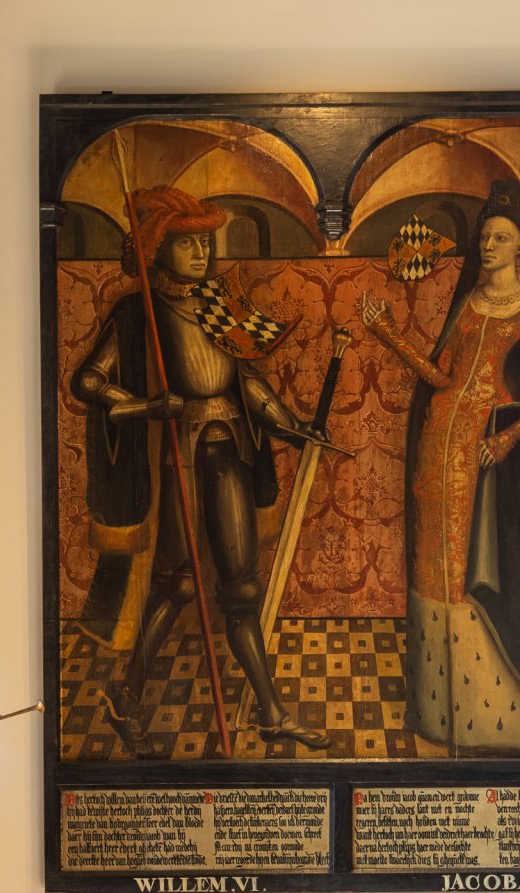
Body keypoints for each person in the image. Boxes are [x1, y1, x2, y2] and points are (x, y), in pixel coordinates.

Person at [73, 185, 327, 751]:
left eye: (205, 243)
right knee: (178, 583)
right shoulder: (137, 310)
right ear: (158, 247)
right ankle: (125, 697)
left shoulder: (220, 302)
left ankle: (271, 712)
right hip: (176, 452)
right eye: (187, 243)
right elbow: (87, 381)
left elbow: (247, 382)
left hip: (229, 446)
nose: (201, 253)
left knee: (241, 586)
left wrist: (291, 426)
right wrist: (144, 405)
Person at [360, 185, 520, 752]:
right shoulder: (470, 302)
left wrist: (507, 439)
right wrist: (388, 334)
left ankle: (493, 718)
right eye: (485, 237)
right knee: (434, 570)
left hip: (488, 459)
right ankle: (438, 714)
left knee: (473, 571)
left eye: (501, 237)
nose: (489, 245)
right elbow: (441, 376)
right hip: (438, 449)